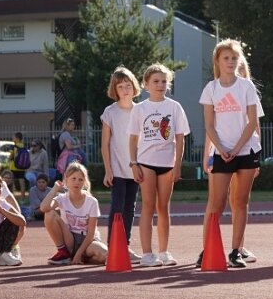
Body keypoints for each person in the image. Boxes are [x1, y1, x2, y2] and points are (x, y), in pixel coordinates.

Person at [199, 39, 261, 268]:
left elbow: (252, 121)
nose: (231, 62)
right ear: (218, 61)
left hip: (245, 150)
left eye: (234, 58)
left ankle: (236, 251)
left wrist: (236, 150)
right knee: (216, 203)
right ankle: (209, 248)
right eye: (226, 58)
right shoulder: (211, 89)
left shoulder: (246, 86)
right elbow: (208, 125)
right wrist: (222, 149)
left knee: (241, 201)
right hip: (221, 151)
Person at [129, 63, 189, 267]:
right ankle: (147, 254)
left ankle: (163, 252)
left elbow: (180, 138)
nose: (160, 85)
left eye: (164, 81)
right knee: (148, 205)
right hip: (145, 163)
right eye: (155, 81)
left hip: (167, 164)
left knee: (163, 207)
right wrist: (134, 163)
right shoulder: (140, 109)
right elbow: (132, 139)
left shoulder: (174, 107)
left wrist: (178, 165)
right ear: (146, 84)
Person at [101, 66, 143, 264]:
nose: (125, 89)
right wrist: (108, 170)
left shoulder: (141, 111)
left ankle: (125, 246)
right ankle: (113, 247)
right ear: (115, 90)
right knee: (117, 207)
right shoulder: (110, 112)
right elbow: (105, 144)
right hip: (117, 169)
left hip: (136, 170)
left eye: (128, 85)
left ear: (134, 87)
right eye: (121, 86)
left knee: (130, 208)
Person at [41, 162, 108, 265]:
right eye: (73, 178)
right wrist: (55, 189)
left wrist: (79, 253)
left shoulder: (92, 202)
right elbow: (44, 208)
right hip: (69, 238)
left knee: (105, 255)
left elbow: (90, 234)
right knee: (49, 214)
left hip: (88, 240)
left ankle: (81, 257)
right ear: (66, 180)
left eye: (80, 179)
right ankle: (63, 252)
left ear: (84, 182)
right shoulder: (62, 199)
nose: (77, 182)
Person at [9, 132, 28, 198]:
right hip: (21, 167)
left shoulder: (14, 147)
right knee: (22, 181)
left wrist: (8, 159)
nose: (12, 138)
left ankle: (12, 196)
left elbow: (11, 156)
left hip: (14, 167)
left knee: (11, 181)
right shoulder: (23, 146)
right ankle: (23, 197)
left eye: (13, 137)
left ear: (17, 139)